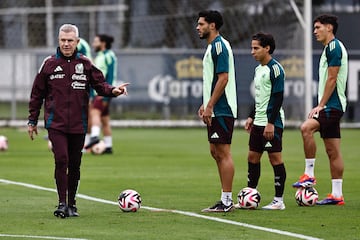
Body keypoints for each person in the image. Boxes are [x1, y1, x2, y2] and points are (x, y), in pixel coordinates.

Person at [28, 24, 129, 218]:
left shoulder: (86, 63)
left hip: (79, 123)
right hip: (55, 123)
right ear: (59, 41)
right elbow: (36, 94)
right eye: (63, 40)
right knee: (61, 160)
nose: (66, 44)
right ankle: (61, 204)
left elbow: (100, 84)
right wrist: (32, 120)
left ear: (77, 42)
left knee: (75, 164)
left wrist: (113, 91)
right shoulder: (48, 64)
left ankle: (72, 204)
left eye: (70, 40)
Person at [293, 14, 348, 206]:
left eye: (318, 27)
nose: (314, 31)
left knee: (306, 128)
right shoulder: (328, 49)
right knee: (333, 150)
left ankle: (309, 174)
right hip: (333, 105)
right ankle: (337, 195)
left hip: (332, 105)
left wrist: (321, 105)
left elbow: (332, 79)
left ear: (329, 28)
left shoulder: (334, 47)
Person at [238, 32, 287, 210]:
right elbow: (259, 97)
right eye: (252, 48)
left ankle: (278, 201)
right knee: (252, 157)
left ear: (267, 48)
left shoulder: (275, 69)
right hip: (258, 122)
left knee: (275, 158)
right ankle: (250, 195)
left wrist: (271, 123)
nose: (252, 52)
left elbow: (278, 97)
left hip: (271, 123)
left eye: (256, 48)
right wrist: (251, 116)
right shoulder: (258, 69)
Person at [196, 10, 237, 213]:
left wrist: (211, 105)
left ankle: (227, 201)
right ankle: (225, 198)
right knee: (215, 152)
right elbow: (213, 79)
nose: (198, 27)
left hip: (223, 108)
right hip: (215, 107)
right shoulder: (213, 47)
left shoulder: (219, 46)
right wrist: (206, 103)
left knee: (223, 152)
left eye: (201, 24)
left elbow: (223, 78)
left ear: (212, 26)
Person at [84, 34, 117, 154]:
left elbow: (111, 75)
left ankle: (94, 137)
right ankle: (108, 147)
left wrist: (108, 91)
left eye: (96, 41)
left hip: (103, 92)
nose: (93, 44)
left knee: (94, 113)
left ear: (103, 43)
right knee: (104, 119)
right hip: (97, 91)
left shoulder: (109, 55)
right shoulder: (99, 56)